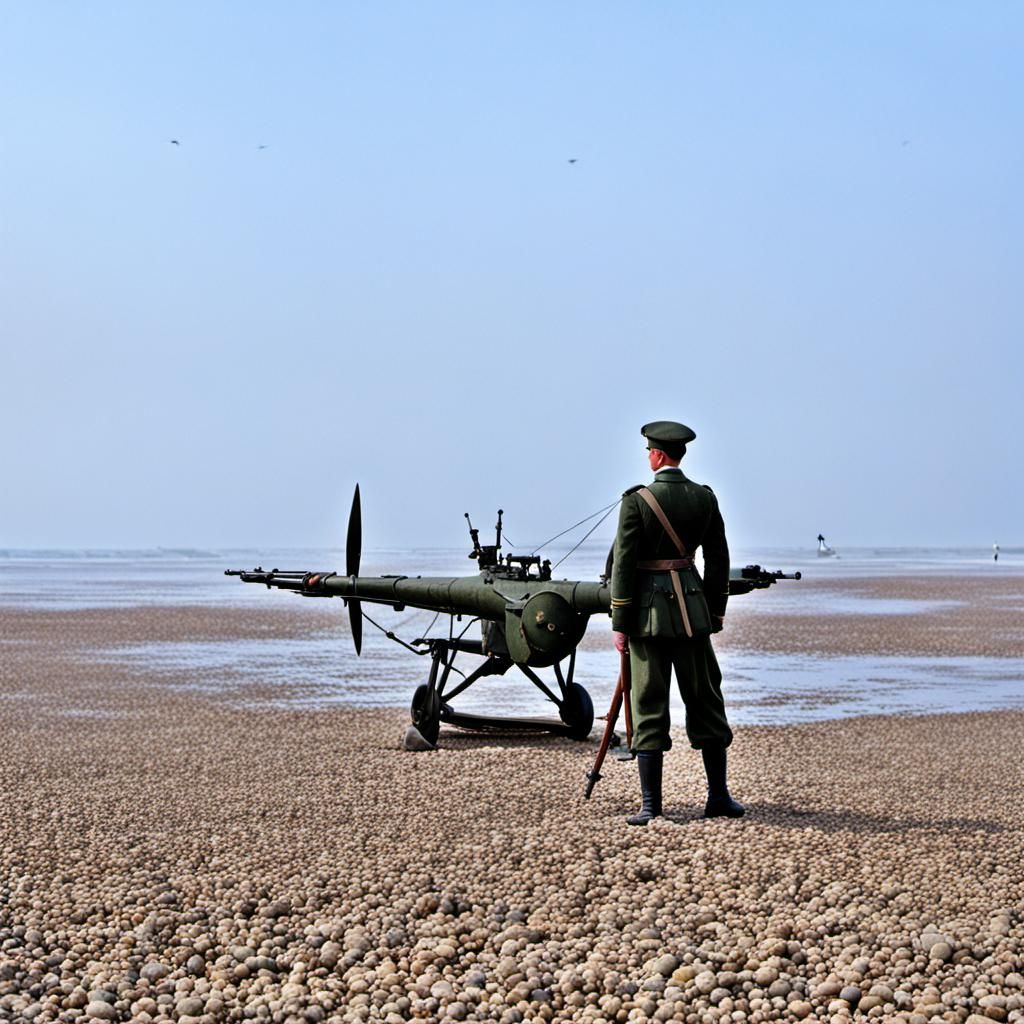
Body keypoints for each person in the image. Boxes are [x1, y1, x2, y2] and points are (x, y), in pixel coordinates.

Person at [610, 420, 744, 825]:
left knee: (648, 701)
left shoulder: (637, 501)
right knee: (705, 698)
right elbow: (718, 559)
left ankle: (651, 806)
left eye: (649, 451)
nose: (649, 456)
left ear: (658, 455)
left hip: (648, 618)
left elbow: (624, 564)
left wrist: (620, 619)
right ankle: (718, 797)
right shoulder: (704, 498)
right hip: (693, 612)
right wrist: (716, 610)